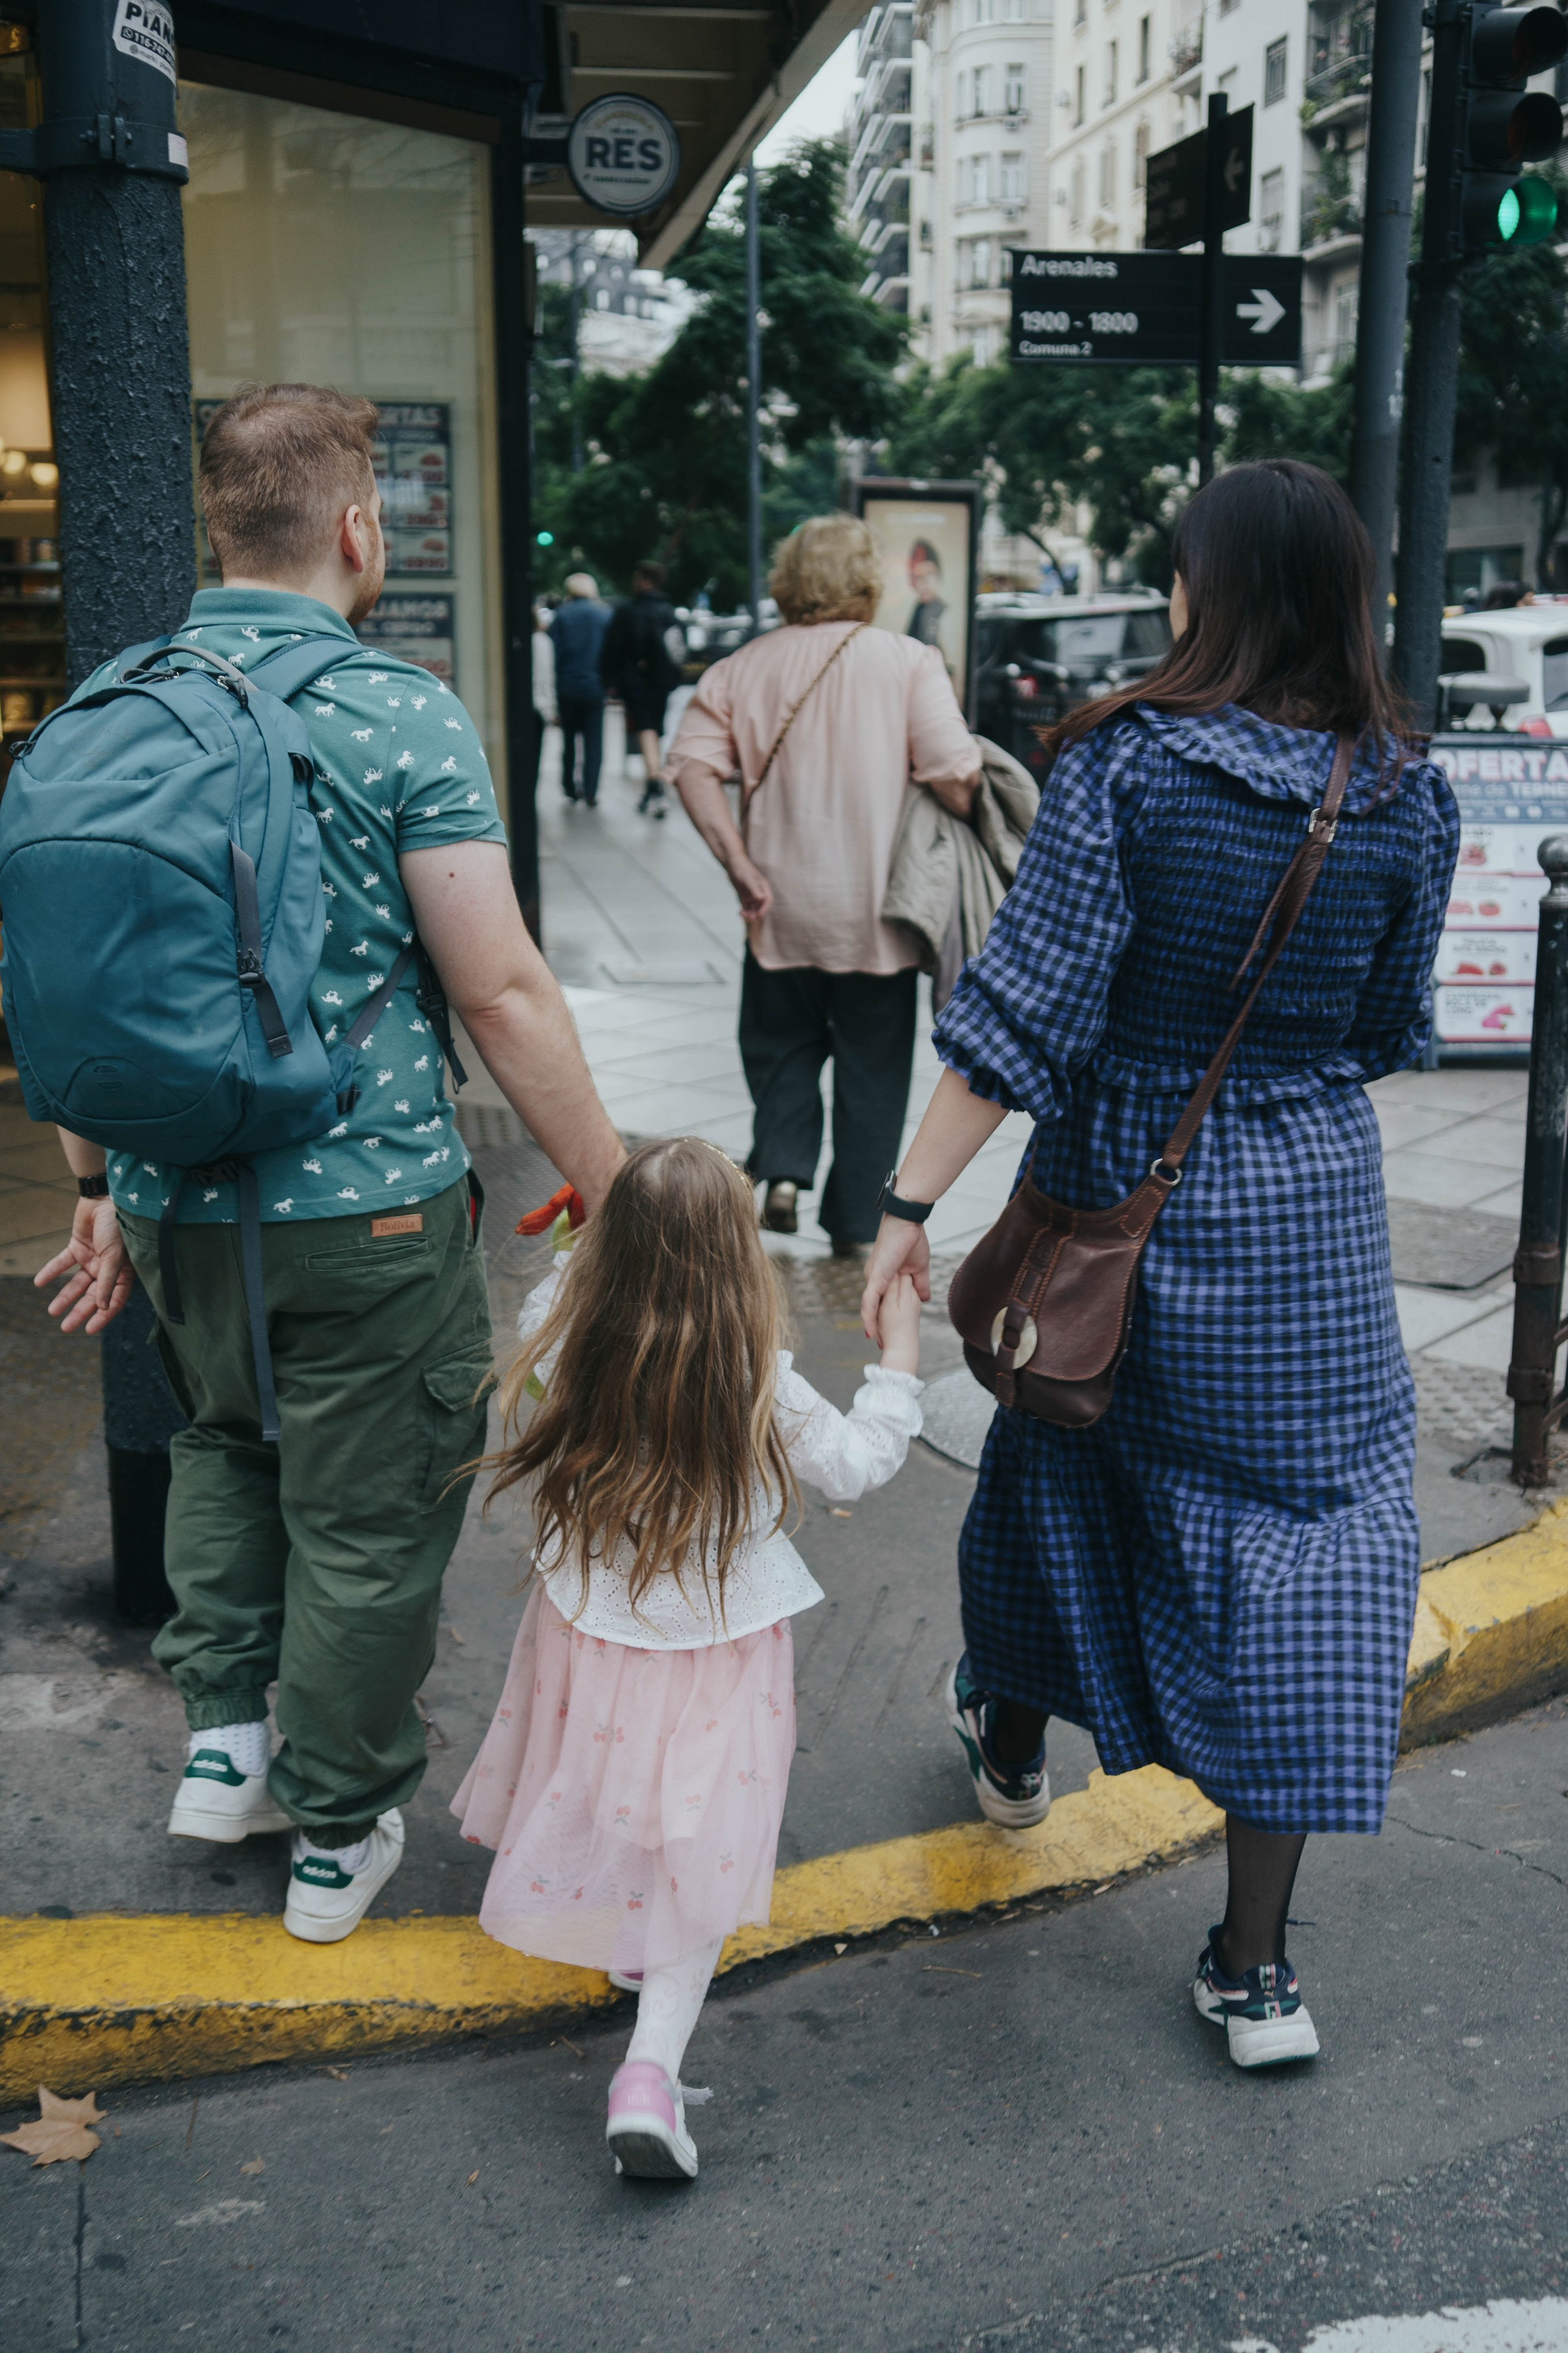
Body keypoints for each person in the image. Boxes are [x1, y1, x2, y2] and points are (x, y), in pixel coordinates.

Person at [860, 459, 1460, 2071]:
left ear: (1216, 589)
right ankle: (1257, 1972)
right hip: (1309, 1232)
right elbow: (1399, 1024)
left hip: (1115, 1203)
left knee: (1058, 1482)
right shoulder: (1406, 785)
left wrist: (907, 1213)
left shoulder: (1129, 765)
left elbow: (1022, 1016)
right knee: (1313, 1557)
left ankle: (1009, 1734)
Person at [36, 383, 625, 1944]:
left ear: (217, 527)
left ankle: (227, 1751)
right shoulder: (397, 711)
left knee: (226, 1446)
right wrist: (612, 1180)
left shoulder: (109, 705)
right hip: (362, 1207)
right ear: (360, 527)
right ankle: (337, 1828)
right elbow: (497, 990)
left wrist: (98, 1184)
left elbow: (64, 985)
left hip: (168, 1196)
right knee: (367, 1518)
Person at [453, 1137, 924, 2180]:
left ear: (609, 1253)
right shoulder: (758, 1379)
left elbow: (569, 1302)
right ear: (738, 1261)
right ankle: (648, 2076)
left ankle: (635, 1947)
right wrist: (898, 1352)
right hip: (717, 1650)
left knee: (620, 1793)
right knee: (698, 1850)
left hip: (590, 1630)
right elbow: (861, 1461)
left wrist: (595, 1249)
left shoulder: (562, 1336)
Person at [668, 514, 980, 1256]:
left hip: (776, 907)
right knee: (873, 1071)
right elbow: (956, 771)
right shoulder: (908, 660)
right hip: (878, 915)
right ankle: (852, 1223)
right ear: (868, 579)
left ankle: (781, 1168)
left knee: (779, 1045)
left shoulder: (739, 667)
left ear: (787, 583)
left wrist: (739, 863)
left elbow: (690, 769)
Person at [601, 558, 683, 816]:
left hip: (636, 681)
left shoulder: (629, 611)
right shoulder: (669, 612)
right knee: (655, 729)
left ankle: (656, 782)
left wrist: (611, 682)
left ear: (644, 580)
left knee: (645, 728)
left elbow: (613, 648)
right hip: (663, 682)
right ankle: (653, 781)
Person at [549, 572, 609, 805]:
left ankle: (569, 786)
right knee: (595, 741)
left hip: (567, 686)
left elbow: (553, 653)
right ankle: (592, 789)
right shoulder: (605, 614)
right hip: (595, 686)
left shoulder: (561, 615)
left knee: (569, 740)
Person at [905, 536, 954, 679]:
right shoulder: (917, 608)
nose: (925, 582)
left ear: (939, 575)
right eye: (919, 577)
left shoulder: (945, 613)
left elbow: (951, 666)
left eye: (930, 574)